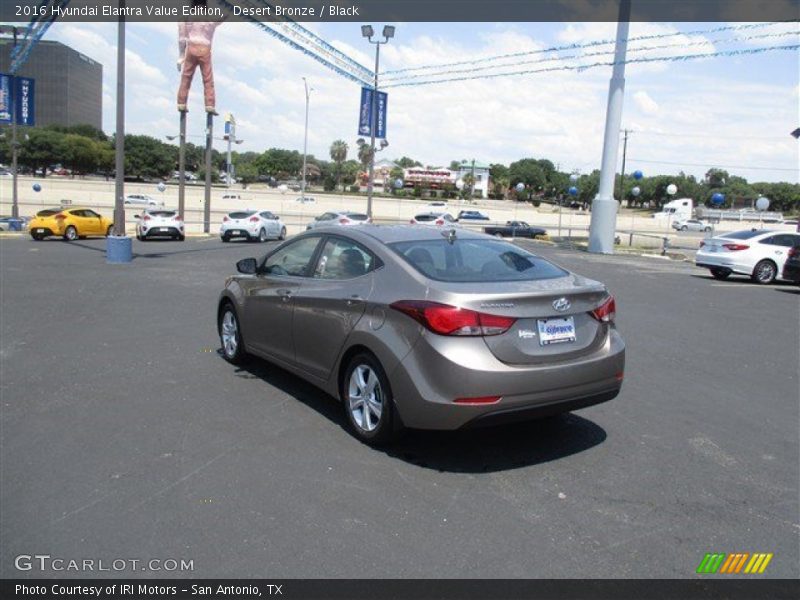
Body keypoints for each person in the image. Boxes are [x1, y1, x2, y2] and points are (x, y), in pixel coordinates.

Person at [176, 1, 222, 114]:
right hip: (205, 48)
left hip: (191, 47)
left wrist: (181, 55)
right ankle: (210, 105)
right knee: (208, 79)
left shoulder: (186, 17)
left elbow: (181, 37)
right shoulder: (210, 17)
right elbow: (222, 17)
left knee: (186, 77)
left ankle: (181, 103)